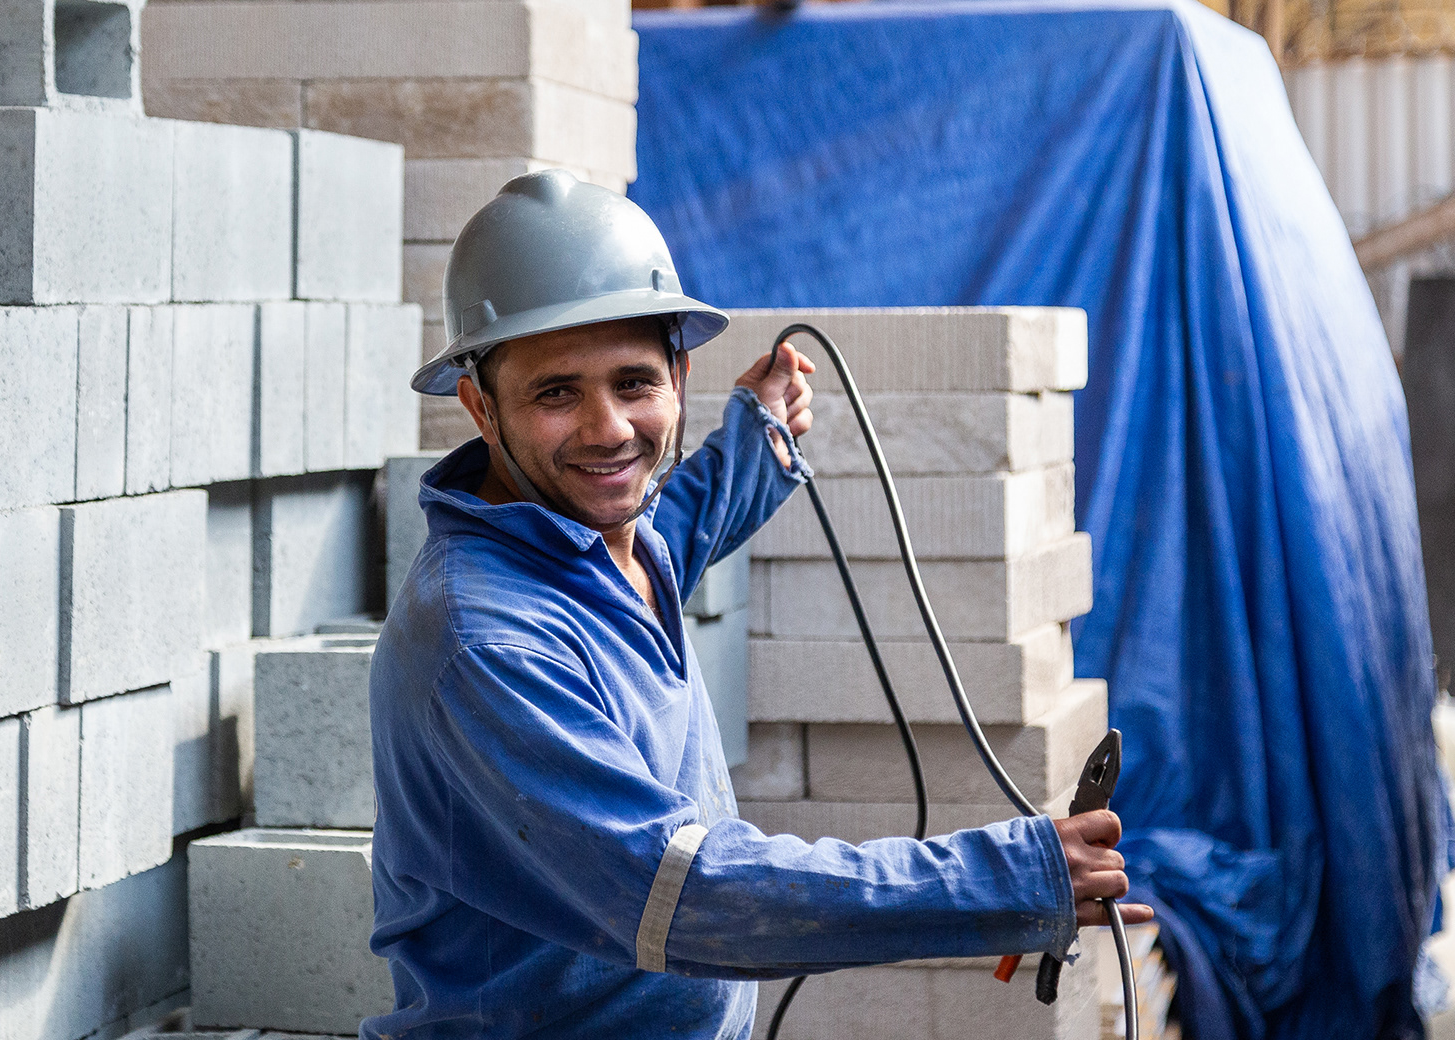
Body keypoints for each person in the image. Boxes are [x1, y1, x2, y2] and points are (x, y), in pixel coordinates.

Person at [366, 170, 1150, 1039]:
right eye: (556, 393)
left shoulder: (596, 540)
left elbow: (676, 524)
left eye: (634, 383)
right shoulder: (489, 641)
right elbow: (685, 894)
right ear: (480, 406)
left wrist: (758, 436)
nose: (608, 428)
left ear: (679, 377)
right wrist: (1010, 878)